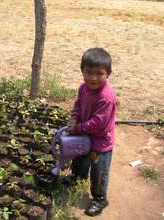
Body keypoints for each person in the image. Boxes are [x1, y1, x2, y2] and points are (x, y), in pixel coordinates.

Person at [64, 47, 116, 216]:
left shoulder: (106, 97)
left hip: (101, 142)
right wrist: (74, 117)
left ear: (108, 73)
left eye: (99, 73)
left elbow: (98, 123)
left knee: (98, 171)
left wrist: (77, 128)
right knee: (79, 159)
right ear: (82, 71)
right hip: (84, 136)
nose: (93, 78)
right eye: (88, 72)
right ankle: (77, 178)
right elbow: (78, 104)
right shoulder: (83, 88)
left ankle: (100, 198)